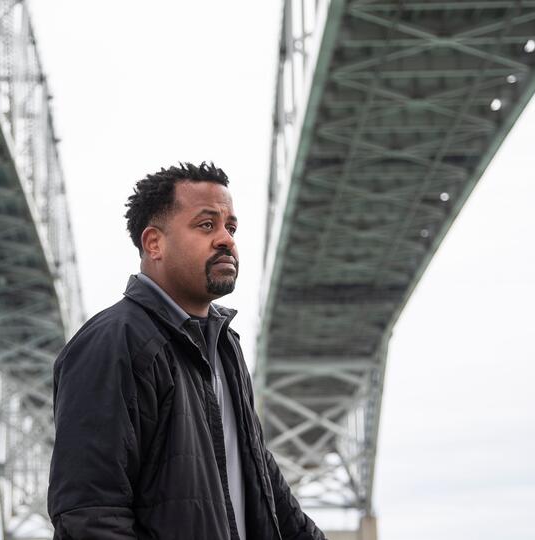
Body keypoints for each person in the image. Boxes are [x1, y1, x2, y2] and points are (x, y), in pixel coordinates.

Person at [47, 162, 326, 540]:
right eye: (207, 225)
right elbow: (89, 513)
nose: (226, 239)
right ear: (154, 243)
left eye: (231, 227)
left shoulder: (225, 345)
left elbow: (261, 477)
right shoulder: (113, 343)